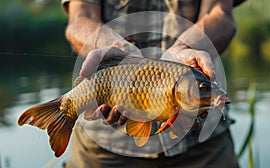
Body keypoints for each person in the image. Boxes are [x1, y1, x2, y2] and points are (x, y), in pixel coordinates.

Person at [61, 0, 245, 167]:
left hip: (203, 144)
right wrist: (113, 45)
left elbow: (218, 13)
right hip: (104, 147)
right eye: (203, 89)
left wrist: (185, 47)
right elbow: (81, 17)